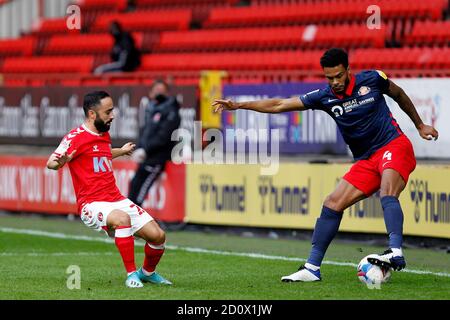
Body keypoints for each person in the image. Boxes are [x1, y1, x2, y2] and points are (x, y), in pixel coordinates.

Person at [213, 48, 439, 282]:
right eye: (329, 77)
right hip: (367, 159)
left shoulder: (373, 79)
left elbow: (399, 94)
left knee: (387, 190)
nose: (335, 82)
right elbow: (280, 104)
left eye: (339, 76)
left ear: (348, 70)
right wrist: (239, 106)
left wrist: (420, 125)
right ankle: (312, 268)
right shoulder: (324, 96)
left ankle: (395, 251)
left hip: (394, 145)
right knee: (332, 203)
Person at [46, 91, 172, 288]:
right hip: (92, 203)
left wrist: (120, 151)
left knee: (158, 236)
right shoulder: (75, 137)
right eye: (108, 112)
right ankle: (131, 275)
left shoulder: (103, 132)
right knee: (122, 219)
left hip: (115, 198)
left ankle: (147, 273)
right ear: (92, 114)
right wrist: (59, 162)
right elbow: (51, 162)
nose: (112, 115)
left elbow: (100, 153)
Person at [128, 80, 181, 207]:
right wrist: (140, 148)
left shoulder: (171, 111)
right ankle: (128, 214)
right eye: (156, 90)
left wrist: (145, 150)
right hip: (147, 157)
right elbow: (145, 133)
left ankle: (135, 216)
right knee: (134, 185)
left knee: (141, 191)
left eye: (161, 90)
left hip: (157, 159)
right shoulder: (151, 109)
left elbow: (163, 136)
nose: (158, 93)